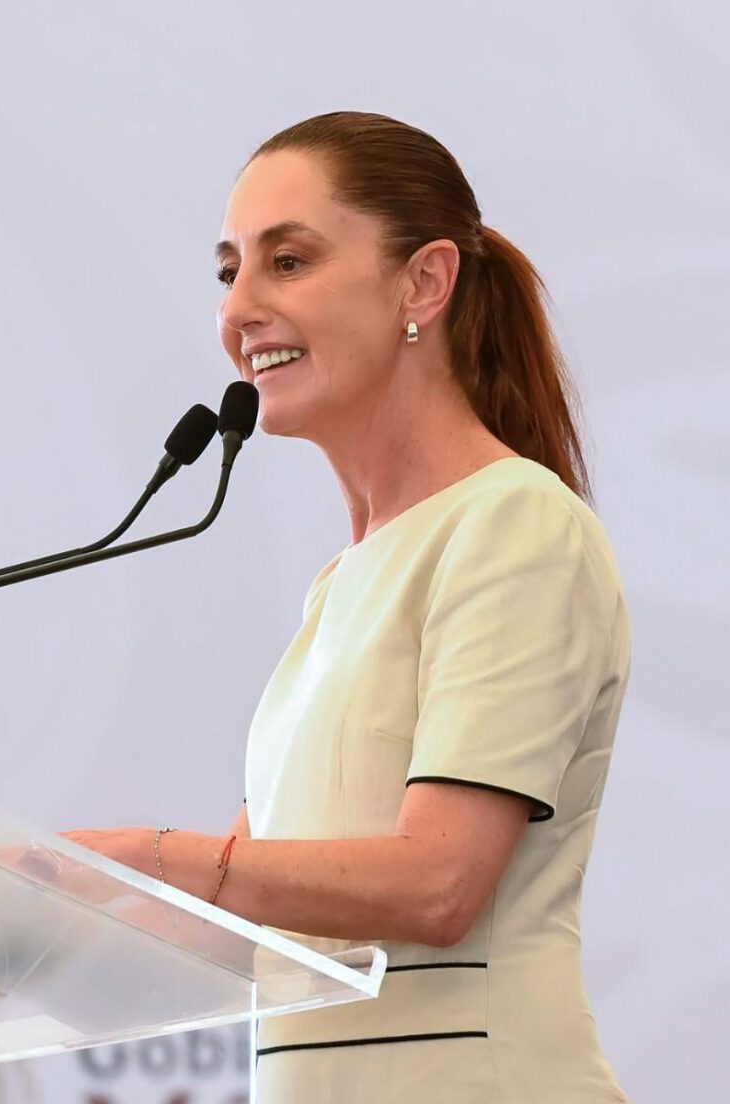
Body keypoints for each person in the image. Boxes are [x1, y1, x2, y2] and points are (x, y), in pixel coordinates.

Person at [64, 111, 631, 1103]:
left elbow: (438, 884)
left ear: (424, 282)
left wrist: (149, 853)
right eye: (228, 270)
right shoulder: (347, 583)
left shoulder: (514, 524)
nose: (239, 309)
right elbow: (249, 925)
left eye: (287, 262)